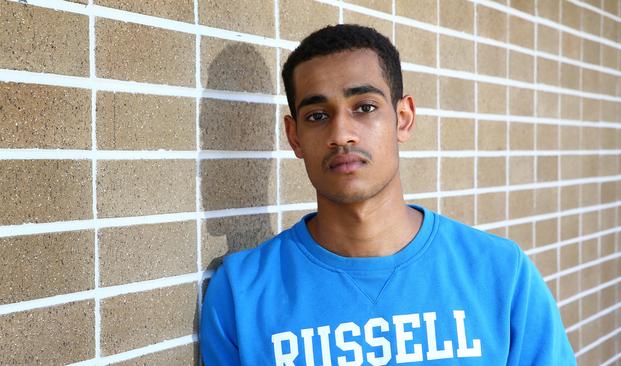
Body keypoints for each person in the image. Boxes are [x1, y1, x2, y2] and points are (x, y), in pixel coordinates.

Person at [200, 24, 576, 365]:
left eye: (364, 107)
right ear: (295, 136)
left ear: (403, 118)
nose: (341, 133)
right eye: (317, 115)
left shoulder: (501, 274)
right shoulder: (240, 293)